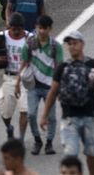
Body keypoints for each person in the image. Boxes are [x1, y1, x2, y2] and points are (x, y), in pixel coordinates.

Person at [40, 31, 94, 175]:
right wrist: (44, 115)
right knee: (70, 155)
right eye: (69, 44)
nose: (72, 47)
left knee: (91, 152)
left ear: (82, 44)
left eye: (75, 43)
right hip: (69, 118)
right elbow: (53, 92)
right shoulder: (62, 67)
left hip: (90, 116)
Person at [18, 14, 62, 156]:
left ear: (50, 29)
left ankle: (49, 142)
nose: (42, 31)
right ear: (36, 28)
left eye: (45, 28)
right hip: (33, 86)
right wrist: (17, 82)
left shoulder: (55, 46)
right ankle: (37, 140)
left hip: (50, 86)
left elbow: (59, 66)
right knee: (31, 114)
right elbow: (24, 63)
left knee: (52, 117)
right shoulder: (30, 44)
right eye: (39, 28)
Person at [0, 14, 30, 143]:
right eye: (13, 28)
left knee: (24, 109)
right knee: (6, 112)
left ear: (23, 28)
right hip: (9, 77)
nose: (15, 31)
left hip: (25, 78)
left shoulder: (30, 38)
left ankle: (21, 138)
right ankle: (8, 126)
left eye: (18, 29)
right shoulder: (2, 36)